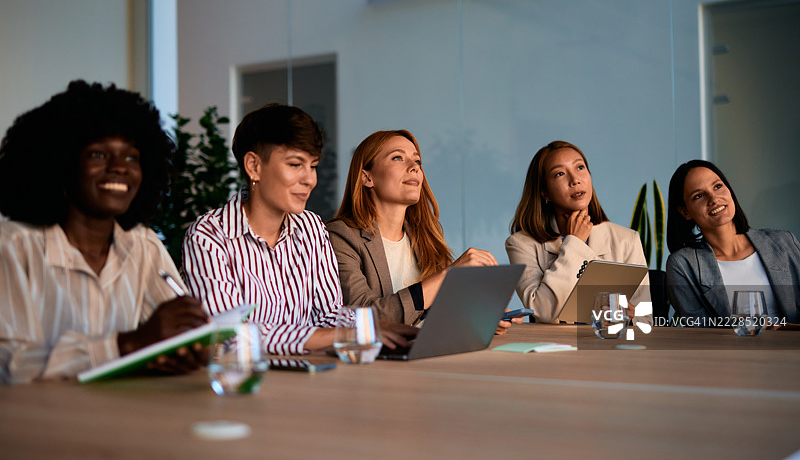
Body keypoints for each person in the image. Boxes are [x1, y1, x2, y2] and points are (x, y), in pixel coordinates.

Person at [0, 80, 208, 383]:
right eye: (98, 154)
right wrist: (128, 344)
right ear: (61, 165)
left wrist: (190, 347)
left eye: (132, 157)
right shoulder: (13, 247)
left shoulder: (144, 246)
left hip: (123, 418)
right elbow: (10, 365)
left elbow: (178, 336)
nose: (119, 167)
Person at [182, 105, 415, 355]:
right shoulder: (208, 237)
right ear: (254, 166)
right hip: (246, 383)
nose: (310, 179)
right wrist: (349, 334)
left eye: (313, 166)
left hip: (312, 378)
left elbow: (329, 314)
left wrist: (380, 330)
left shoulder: (311, 228)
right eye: (295, 164)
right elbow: (231, 335)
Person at [326, 129, 519, 334]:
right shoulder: (340, 236)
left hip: (431, 351)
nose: (414, 168)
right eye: (398, 158)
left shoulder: (426, 234)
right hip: (379, 360)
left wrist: (479, 316)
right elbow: (363, 319)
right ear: (367, 178)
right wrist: (449, 276)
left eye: (417, 161)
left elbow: (438, 312)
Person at [506, 140, 651, 324]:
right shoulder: (521, 244)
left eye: (580, 167)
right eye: (560, 174)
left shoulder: (627, 240)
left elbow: (646, 321)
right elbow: (543, 311)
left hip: (610, 347)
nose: (575, 180)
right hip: (554, 349)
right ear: (545, 193)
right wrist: (574, 243)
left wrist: (631, 317)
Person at [665, 160, 800, 325]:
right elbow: (700, 333)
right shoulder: (683, 265)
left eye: (717, 186)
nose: (714, 199)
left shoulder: (783, 242)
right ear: (685, 211)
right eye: (698, 196)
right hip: (730, 350)